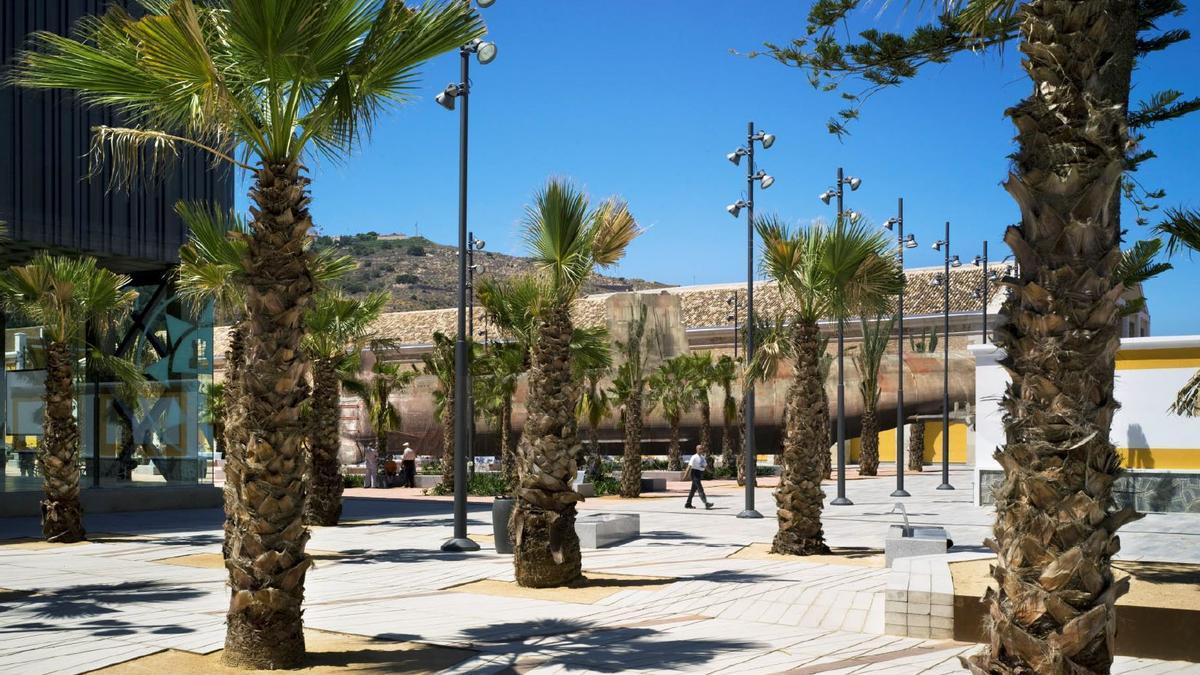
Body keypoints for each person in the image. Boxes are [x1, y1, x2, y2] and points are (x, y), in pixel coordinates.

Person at [685, 444, 713, 510]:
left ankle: (688, 503)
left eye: (702, 449)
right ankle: (706, 503)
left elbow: (706, 466)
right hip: (694, 474)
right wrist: (685, 475)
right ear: (697, 449)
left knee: (693, 490)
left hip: (699, 474)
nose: (701, 450)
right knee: (700, 488)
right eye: (700, 449)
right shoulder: (694, 457)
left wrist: (711, 472)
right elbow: (689, 467)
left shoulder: (702, 457)